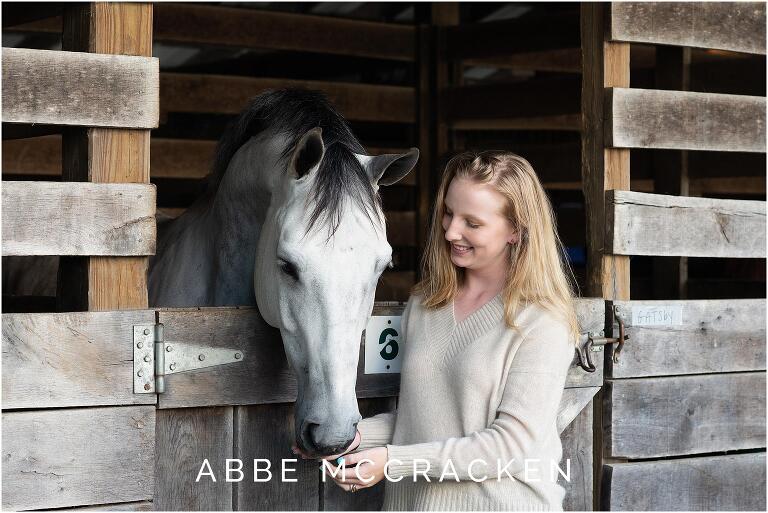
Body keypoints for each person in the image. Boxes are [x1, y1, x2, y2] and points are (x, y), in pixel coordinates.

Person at [294, 150, 580, 510]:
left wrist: (391, 462)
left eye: (472, 223)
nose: (450, 230)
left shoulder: (542, 321)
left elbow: (512, 446)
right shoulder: (426, 304)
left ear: (516, 231)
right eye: (448, 212)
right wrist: (349, 440)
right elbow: (422, 419)